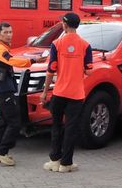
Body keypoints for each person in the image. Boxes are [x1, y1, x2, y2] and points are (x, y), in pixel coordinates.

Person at [40, 12, 93, 173]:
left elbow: (50, 70)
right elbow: (89, 71)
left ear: (64, 25)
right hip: (76, 94)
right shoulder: (85, 45)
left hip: (59, 92)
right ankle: (66, 163)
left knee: (56, 126)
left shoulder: (56, 44)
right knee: (71, 128)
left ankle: (54, 160)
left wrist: (44, 92)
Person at [0, 22, 35, 166]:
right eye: (6, 32)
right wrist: (31, 61)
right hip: (3, 91)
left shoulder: (2, 48)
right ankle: (2, 152)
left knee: (4, 122)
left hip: (1, 90)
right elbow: (12, 61)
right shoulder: (0, 49)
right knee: (15, 122)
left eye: (10, 32)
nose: (9, 35)